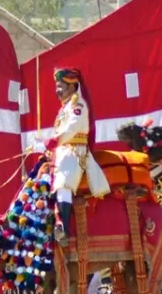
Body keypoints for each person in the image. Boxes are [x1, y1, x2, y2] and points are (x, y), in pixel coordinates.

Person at [39, 68, 111, 246]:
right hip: (62, 152)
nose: (57, 91)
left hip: (75, 153)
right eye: (56, 87)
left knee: (63, 183)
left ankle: (63, 228)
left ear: (72, 86)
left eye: (60, 86)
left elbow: (70, 130)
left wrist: (50, 143)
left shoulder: (78, 106)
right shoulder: (65, 108)